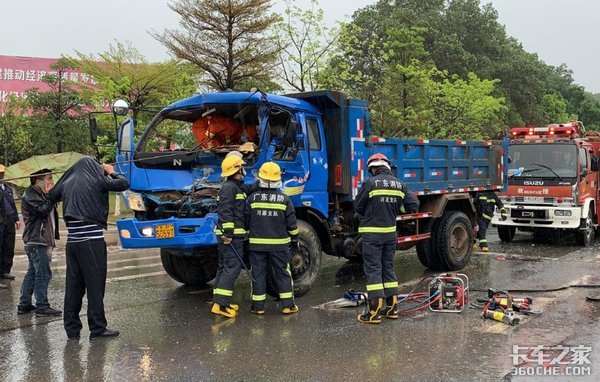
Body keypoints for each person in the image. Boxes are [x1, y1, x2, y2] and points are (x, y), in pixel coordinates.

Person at [48, 157, 129, 340]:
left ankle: (72, 329)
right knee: (95, 286)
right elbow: (124, 183)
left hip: (73, 243)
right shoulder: (97, 180)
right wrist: (110, 171)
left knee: (74, 286)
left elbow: (51, 195)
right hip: (92, 242)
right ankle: (97, 328)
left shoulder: (67, 182)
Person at [354, 153, 419, 324]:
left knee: (374, 270)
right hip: (390, 235)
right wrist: (397, 209)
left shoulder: (370, 183)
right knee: (388, 268)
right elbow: (414, 205)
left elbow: (358, 207)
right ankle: (392, 309)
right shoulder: (400, 184)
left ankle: (374, 312)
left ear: (373, 168)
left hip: (372, 236)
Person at [244, 162, 299, 315]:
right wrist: (295, 241)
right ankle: (288, 305)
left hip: (256, 245)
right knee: (282, 273)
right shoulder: (285, 199)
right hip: (280, 246)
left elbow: (246, 221)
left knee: (258, 274)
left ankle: (258, 307)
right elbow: (292, 224)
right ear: (278, 179)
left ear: (260, 177)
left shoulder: (252, 199)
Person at [18, 169, 61, 316]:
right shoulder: (31, 195)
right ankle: (42, 305)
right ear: (38, 181)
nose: (51, 182)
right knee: (43, 274)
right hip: (37, 240)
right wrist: (50, 197)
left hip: (40, 239)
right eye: (48, 179)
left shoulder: (40, 194)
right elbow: (42, 211)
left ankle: (24, 303)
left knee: (32, 272)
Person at [211, 155, 248, 318]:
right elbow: (225, 211)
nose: (244, 169)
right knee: (231, 269)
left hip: (230, 237)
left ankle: (219, 301)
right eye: (241, 167)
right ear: (237, 169)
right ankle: (221, 305)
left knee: (224, 268)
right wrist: (228, 234)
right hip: (231, 237)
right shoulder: (229, 188)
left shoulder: (235, 186)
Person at [0, 164, 21, 281]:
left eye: (3, 174)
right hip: (1, 219)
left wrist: (16, 218)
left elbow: (12, 204)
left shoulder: (7, 188)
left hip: (9, 219)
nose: (2, 176)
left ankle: (5, 270)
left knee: (9, 245)